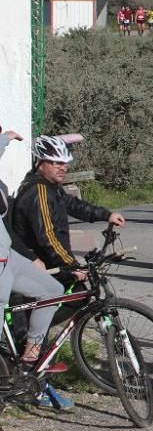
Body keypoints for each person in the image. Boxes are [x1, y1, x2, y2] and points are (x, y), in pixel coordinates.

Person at [0, 130, 76, 410]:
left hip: (8, 256)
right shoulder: (35, 190)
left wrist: (5, 138)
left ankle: (32, 353)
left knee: (53, 291)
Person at [13, 135, 126, 277]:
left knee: (81, 292)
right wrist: (70, 265)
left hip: (52, 260)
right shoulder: (38, 191)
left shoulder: (50, 186)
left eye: (65, 163)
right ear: (40, 162)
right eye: (57, 163)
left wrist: (106, 215)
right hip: (43, 265)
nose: (63, 168)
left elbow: (73, 205)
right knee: (77, 293)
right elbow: (48, 236)